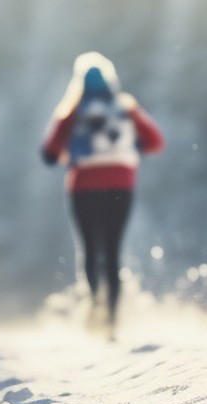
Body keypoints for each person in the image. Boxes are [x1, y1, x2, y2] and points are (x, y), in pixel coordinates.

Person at [40, 52, 165, 337]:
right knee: (112, 251)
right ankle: (111, 318)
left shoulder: (71, 112)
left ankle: (94, 305)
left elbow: (49, 153)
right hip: (121, 186)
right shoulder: (127, 108)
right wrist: (135, 150)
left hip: (83, 187)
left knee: (89, 250)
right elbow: (156, 142)